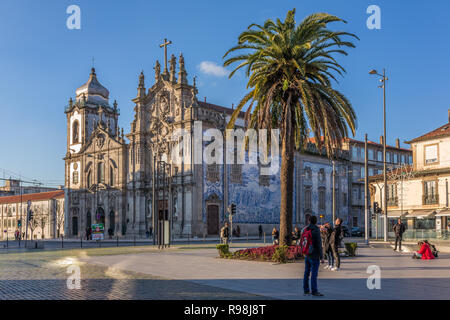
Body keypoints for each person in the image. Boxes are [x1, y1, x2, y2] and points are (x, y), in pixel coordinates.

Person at [302, 215, 324, 296]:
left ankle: (306, 289)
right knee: (314, 274)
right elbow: (319, 244)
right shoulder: (316, 230)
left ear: (309, 221)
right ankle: (314, 291)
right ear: (316, 221)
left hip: (307, 254)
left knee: (306, 273)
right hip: (314, 255)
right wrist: (321, 257)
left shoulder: (305, 229)